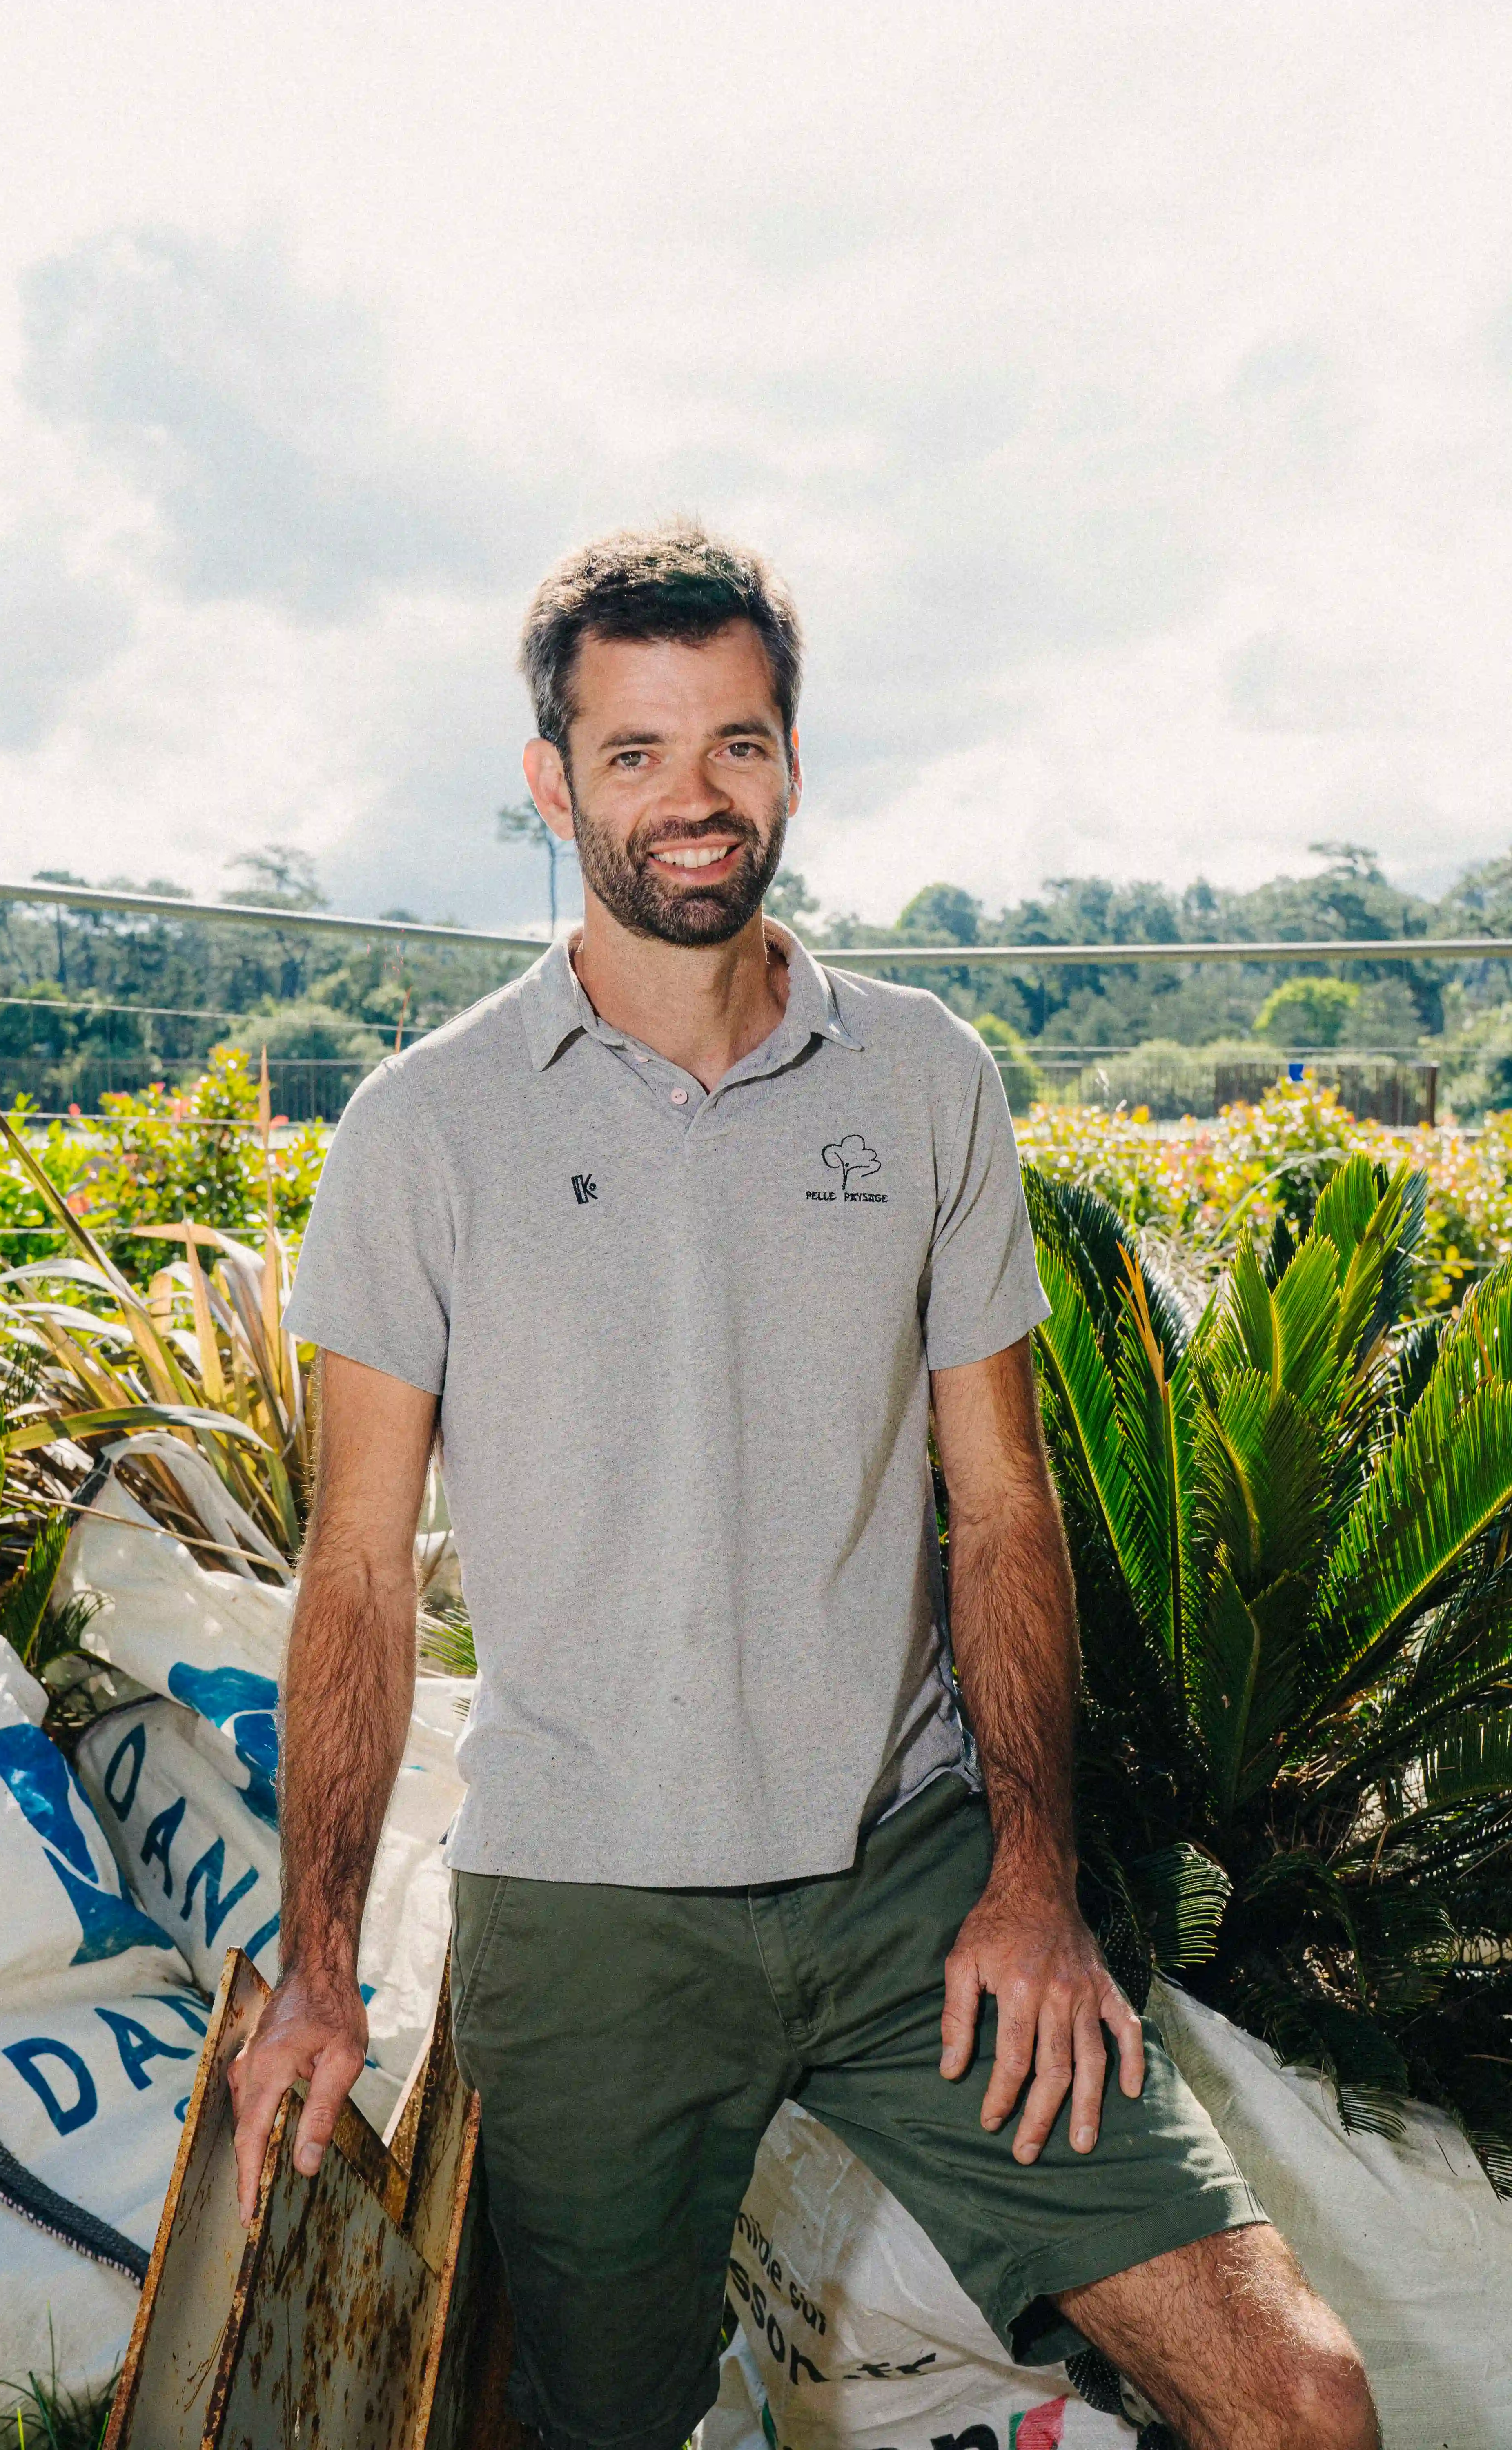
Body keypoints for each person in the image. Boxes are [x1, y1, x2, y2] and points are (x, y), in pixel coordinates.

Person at [230, 524, 1380, 2450]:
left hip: (915, 1890)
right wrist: (320, 1973)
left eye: (738, 745)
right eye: (635, 752)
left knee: (1301, 2397)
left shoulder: (925, 1077)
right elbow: (354, 1572)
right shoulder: (425, 1125)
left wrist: (1032, 1884)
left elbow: (1001, 1513)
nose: (695, 799)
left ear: (790, 756)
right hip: (590, 1909)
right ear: (549, 782)